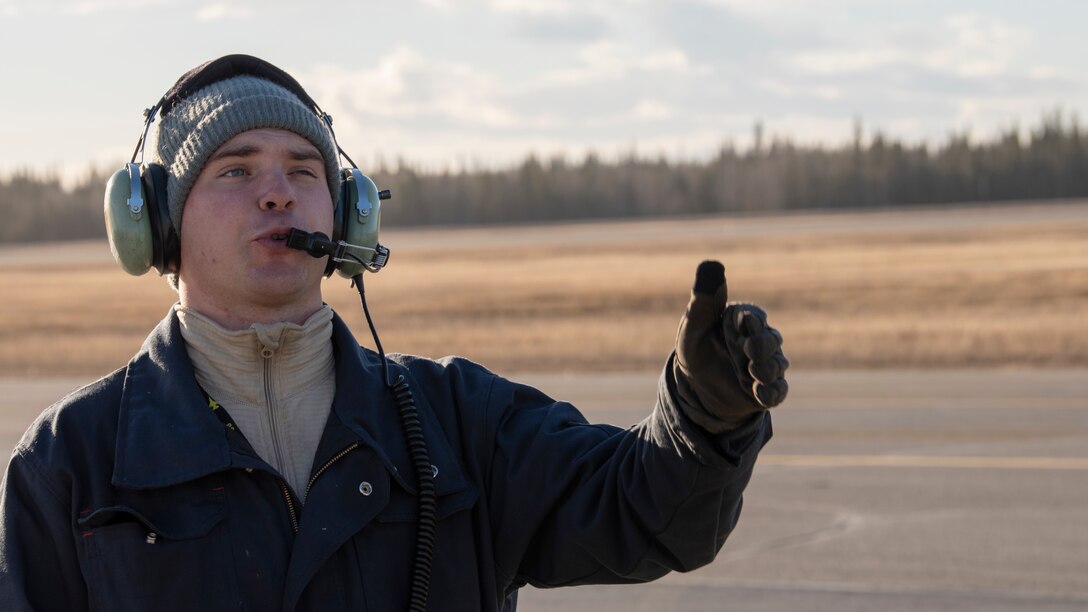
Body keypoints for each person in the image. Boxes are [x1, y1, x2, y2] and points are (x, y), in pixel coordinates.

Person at [0, 55, 788, 612]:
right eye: (236, 170)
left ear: (345, 217)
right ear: (160, 229)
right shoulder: (71, 463)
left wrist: (704, 418)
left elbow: (646, 514)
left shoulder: (460, 420)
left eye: (304, 170)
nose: (278, 194)